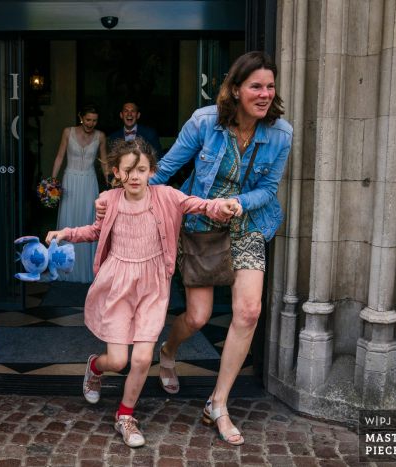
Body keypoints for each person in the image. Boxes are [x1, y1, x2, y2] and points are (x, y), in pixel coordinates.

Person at [96, 51, 292, 447]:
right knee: (199, 317)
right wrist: (117, 196)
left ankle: (217, 404)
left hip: (248, 224)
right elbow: (164, 171)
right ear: (236, 90)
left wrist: (240, 203)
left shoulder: (281, 133)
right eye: (256, 86)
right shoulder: (204, 122)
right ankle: (168, 351)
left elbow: (268, 190)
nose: (265, 93)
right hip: (200, 227)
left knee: (248, 311)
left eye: (270, 86)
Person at [46, 138, 239, 447]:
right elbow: (95, 232)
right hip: (118, 285)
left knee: (141, 360)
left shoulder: (166, 196)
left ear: (152, 171)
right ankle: (96, 367)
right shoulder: (109, 200)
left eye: (142, 169)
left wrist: (221, 206)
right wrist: (65, 233)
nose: (135, 176)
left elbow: (199, 204)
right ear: (116, 172)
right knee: (119, 361)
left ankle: (125, 417)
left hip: (152, 288)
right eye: (128, 170)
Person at [51, 104, 107, 283]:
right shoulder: (68, 132)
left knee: (88, 222)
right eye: (88, 120)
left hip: (89, 182)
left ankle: (87, 269)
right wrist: (52, 181)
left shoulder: (101, 136)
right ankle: (65, 268)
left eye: (95, 121)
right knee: (70, 219)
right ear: (81, 117)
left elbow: (104, 161)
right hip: (70, 181)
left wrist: (111, 184)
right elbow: (60, 156)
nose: (91, 124)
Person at [108, 102, 162, 187]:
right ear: (121, 115)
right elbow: (112, 164)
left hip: (145, 184)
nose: (129, 114)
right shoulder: (114, 136)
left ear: (138, 115)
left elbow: (157, 160)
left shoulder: (150, 133)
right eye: (126, 111)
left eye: (133, 111)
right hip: (122, 185)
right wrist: (111, 187)